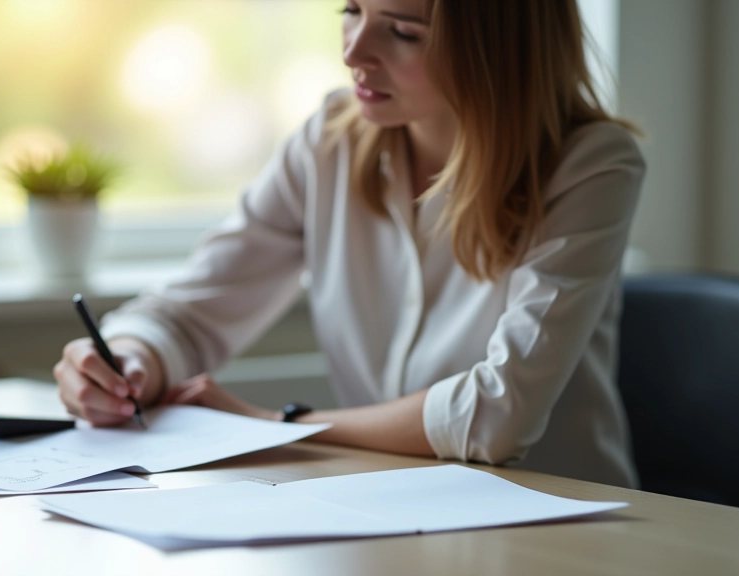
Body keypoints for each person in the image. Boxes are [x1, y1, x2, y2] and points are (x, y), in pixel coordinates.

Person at [53, 0, 645, 488]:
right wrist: (129, 359)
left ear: (499, 47)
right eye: (351, 10)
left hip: (565, 526)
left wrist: (278, 427)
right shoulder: (328, 145)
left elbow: (496, 415)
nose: (353, 53)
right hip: (389, 511)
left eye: (403, 32)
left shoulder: (591, 166)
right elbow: (190, 311)